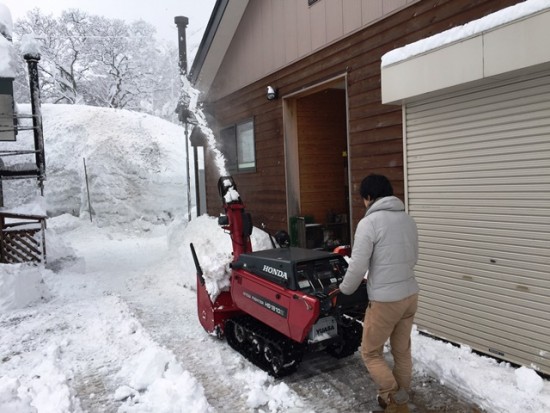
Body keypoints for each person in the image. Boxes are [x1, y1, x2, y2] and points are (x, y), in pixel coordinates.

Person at [339, 174, 419, 413]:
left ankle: (394, 399)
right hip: (410, 296)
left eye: (364, 199)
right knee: (402, 351)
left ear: (369, 197)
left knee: (371, 352)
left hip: (385, 301)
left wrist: (344, 291)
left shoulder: (369, 223)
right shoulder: (408, 220)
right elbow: (413, 258)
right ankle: (399, 398)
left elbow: (358, 266)